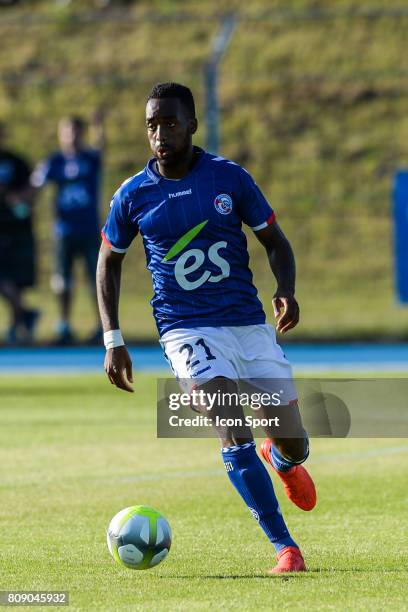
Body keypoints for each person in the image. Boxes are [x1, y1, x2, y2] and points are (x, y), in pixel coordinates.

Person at [96, 82, 316, 574]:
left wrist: (286, 288)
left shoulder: (229, 179)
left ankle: (282, 460)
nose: (160, 133)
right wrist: (113, 338)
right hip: (185, 329)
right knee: (229, 423)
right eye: (152, 124)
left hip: (246, 323)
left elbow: (275, 241)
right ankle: (285, 547)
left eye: (170, 123)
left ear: (193, 125)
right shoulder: (132, 195)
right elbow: (108, 261)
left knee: (293, 441)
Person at [32, 113, 105, 345]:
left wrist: (99, 127)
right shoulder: (54, 161)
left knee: (96, 278)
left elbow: (100, 148)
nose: (71, 136)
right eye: (66, 131)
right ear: (60, 134)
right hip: (64, 231)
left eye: (75, 131)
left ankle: (101, 326)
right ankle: (64, 325)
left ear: (81, 133)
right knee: (62, 280)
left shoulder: (90, 159)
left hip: (89, 229)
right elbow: (36, 185)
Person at [0, 122, 39, 344]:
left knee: (16, 281)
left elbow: (32, 190)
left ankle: (17, 326)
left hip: (16, 229)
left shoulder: (17, 162)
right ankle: (25, 315)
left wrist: (18, 198)